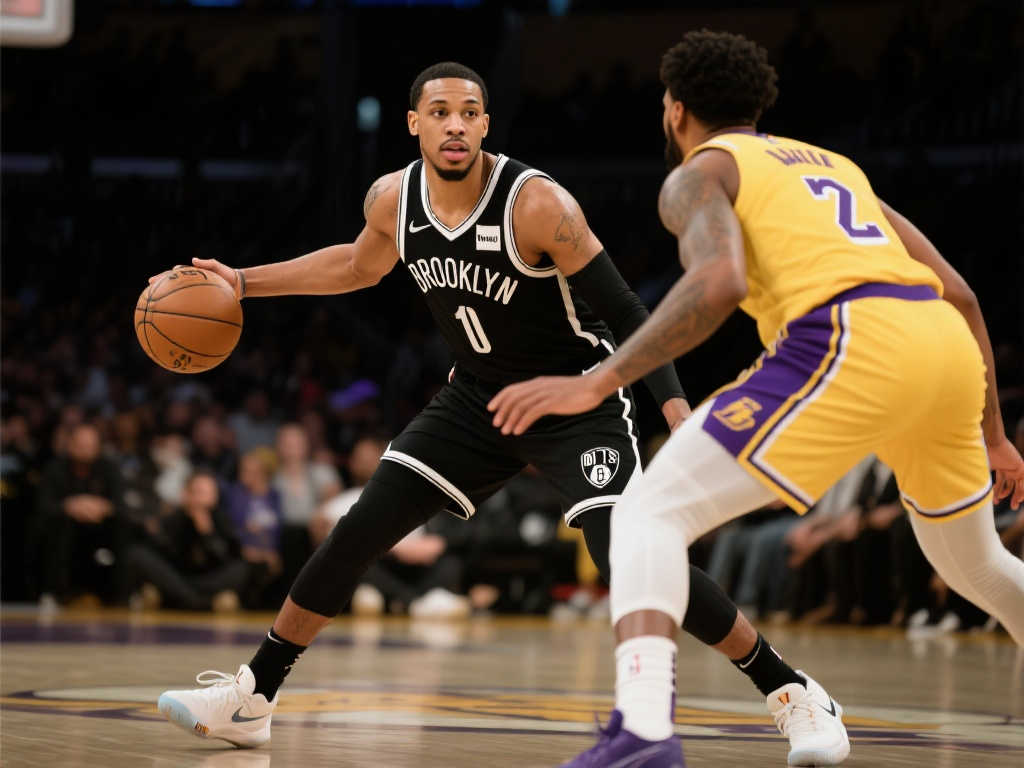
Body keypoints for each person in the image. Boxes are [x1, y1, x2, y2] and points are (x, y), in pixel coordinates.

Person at [155, 61, 842, 759]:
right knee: (357, 530)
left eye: (469, 113)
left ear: (485, 124)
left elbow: (627, 312)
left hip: (576, 398)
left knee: (628, 555)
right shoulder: (393, 199)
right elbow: (357, 267)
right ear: (414, 123)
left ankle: (791, 691)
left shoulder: (537, 204)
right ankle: (252, 698)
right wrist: (242, 282)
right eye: (440, 112)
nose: (455, 125)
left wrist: (675, 412)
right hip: (477, 398)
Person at [487, 30, 1024, 767]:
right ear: (756, 107)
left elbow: (719, 283)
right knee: (979, 566)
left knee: (645, 514)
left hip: (851, 336)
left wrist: (598, 380)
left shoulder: (699, 174)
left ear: (676, 110)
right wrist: (994, 435)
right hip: (945, 351)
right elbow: (959, 293)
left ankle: (642, 732)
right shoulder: (835, 166)